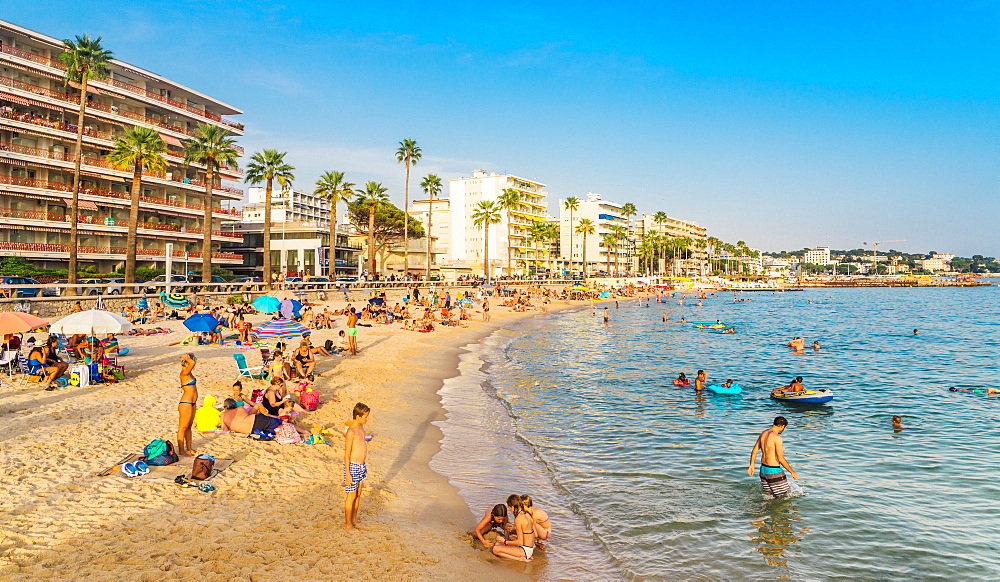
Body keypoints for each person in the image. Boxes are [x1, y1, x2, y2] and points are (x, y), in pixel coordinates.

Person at [747, 416, 798, 497]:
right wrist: (792, 472)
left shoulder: (763, 433)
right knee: (783, 496)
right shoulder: (777, 438)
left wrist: (752, 466)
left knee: (769, 496)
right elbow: (780, 458)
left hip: (763, 470)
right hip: (774, 472)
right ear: (782, 426)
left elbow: (754, 450)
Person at [344, 402, 371, 531]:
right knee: (351, 495)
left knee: (358, 494)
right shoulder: (351, 431)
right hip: (353, 466)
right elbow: (347, 454)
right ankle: (348, 525)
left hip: (361, 465)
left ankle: (354, 520)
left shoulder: (361, 428)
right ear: (358, 416)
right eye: (365, 416)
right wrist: (348, 474)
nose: (367, 418)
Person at [492, 494, 536, 562]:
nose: (510, 511)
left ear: (512, 507)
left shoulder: (518, 519)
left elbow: (520, 542)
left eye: (509, 508)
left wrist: (504, 541)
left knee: (495, 549)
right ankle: (528, 555)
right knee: (497, 544)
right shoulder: (526, 514)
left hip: (524, 550)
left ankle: (520, 558)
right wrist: (514, 529)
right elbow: (530, 532)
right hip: (529, 547)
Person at [177, 353, 198, 456]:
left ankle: (189, 448)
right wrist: (186, 357)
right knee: (183, 427)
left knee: (189, 426)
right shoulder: (184, 372)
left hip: (192, 403)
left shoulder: (189, 373)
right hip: (186, 403)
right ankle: (181, 450)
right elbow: (192, 363)